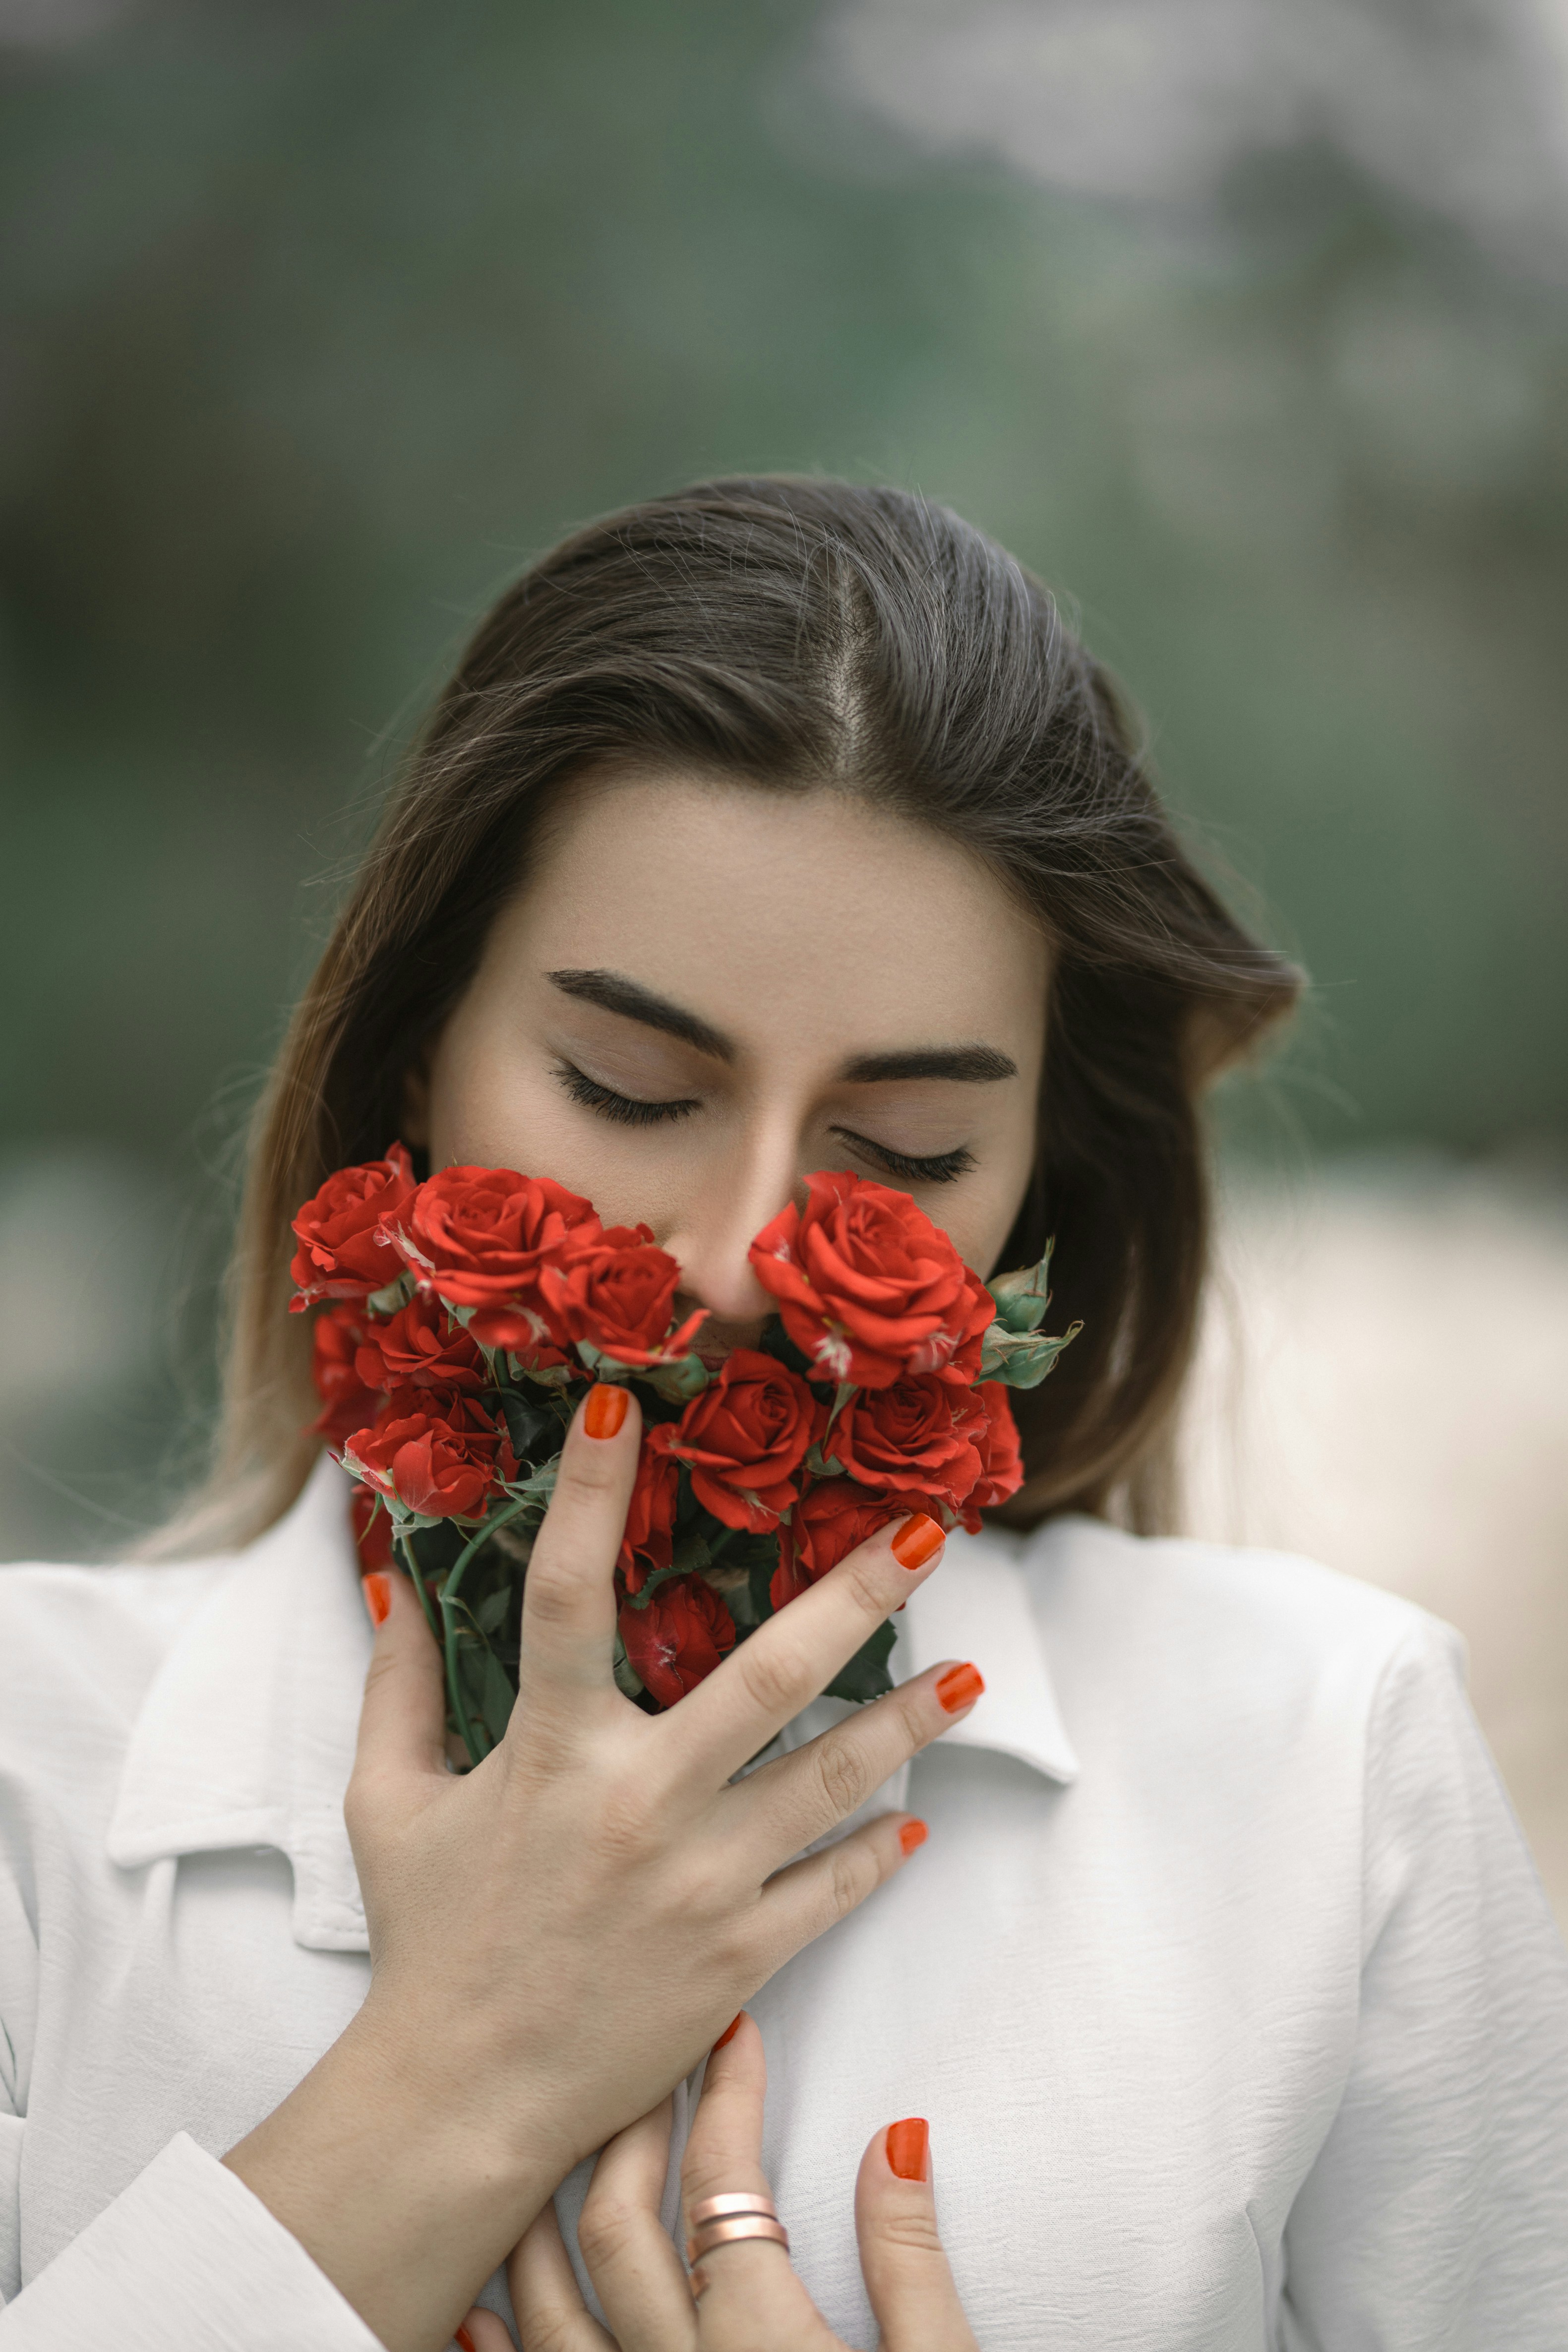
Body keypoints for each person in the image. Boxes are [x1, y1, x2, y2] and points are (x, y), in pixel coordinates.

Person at [1, 478, 1565, 2352]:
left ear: (1034, 1187)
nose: (744, 1254)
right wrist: (459, 2075)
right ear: (415, 1045)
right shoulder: (31, 1772)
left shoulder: (1323, 1761)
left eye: (904, 1150)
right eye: (625, 1084)